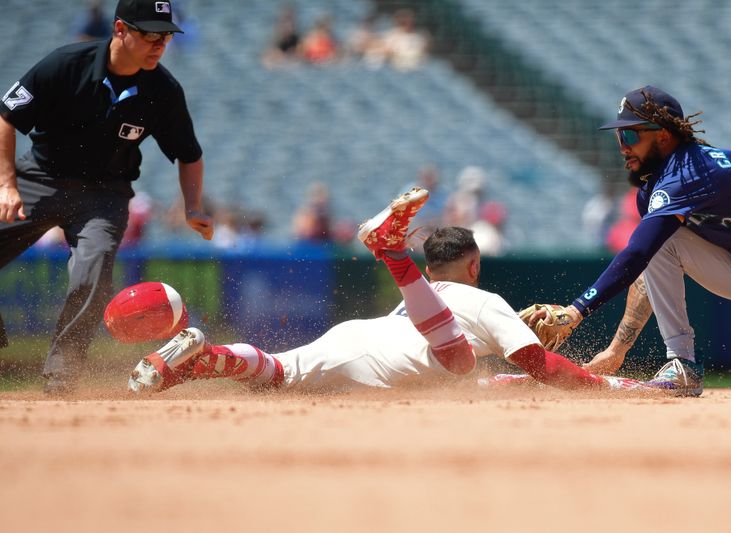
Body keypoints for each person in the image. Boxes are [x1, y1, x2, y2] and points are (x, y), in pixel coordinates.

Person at [128, 189, 654, 395]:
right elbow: (545, 368)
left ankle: (199, 357)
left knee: (274, 371)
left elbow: (511, 382)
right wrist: (618, 386)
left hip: (359, 336)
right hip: (413, 355)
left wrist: (518, 371)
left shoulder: (422, 302)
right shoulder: (488, 302)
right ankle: (392, 252)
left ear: (435, 267)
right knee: (462, 362)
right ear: (474, 265)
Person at [522, 86, 731, 396]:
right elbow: (649, 260)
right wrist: (617, 350)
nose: (623, 147)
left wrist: (576, 310)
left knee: (654, 241)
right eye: (619, 137)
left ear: (664, 136)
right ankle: (683, 364)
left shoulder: (691, 170)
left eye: (629, 136)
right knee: (665, 242)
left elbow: (637, 252)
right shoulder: (658, 188)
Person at [0, 0, 214, 394]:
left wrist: (193, 207)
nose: (159, 45)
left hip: (104, 195)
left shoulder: (163, 90)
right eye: (150, 34)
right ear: (120, 29)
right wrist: (7, 184)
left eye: (166, 36)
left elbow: (189, 153)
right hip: (40, 179)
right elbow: (7, 117)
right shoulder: (66, 64)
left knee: (92, 276)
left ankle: (61, 379)